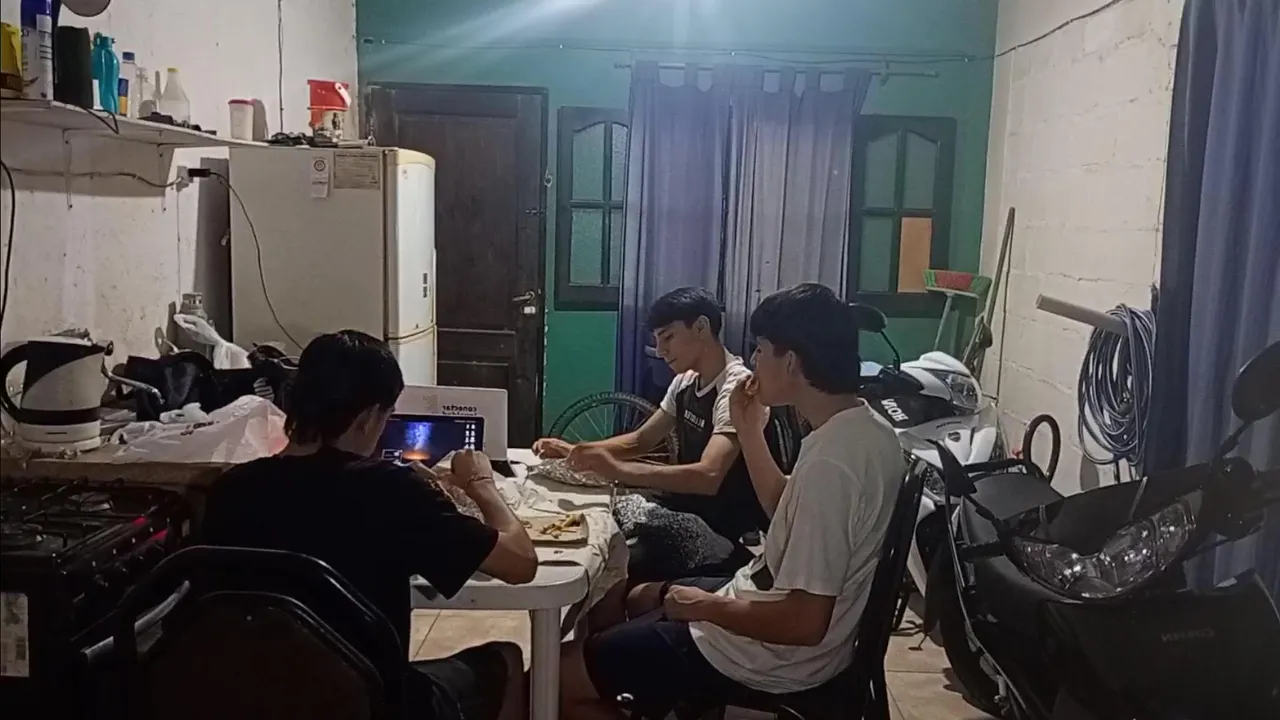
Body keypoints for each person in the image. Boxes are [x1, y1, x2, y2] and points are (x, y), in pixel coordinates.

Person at [559, 283, 907, 719]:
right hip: (768, 609)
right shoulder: (866, 430)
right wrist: (749, 430)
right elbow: (785, 509)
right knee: (639, 600)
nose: (754, 361)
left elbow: (804, 621)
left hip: (770, 659)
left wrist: (707, 606)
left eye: (761, 349)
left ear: (791, 362)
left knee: (557, 680)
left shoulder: (833, 463)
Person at [200, 330, 538, 720]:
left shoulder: (230, 490)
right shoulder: (391, 491)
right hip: (369, 701)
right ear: (367, 418)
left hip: (251, 699)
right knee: (507, 658)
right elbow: (520, 563)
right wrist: (481, 483)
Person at [533, 287, 770, 584]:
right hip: (685, 505)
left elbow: (708, 476)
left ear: (701, 327)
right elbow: (640, 440)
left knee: (612, 551)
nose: (660, 351)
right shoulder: (686, 381)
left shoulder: (735, 388)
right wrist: (579, 451)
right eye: (657, 340)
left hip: (718, 526)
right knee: (600, 518)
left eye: (668, 337)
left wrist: (617, 469)